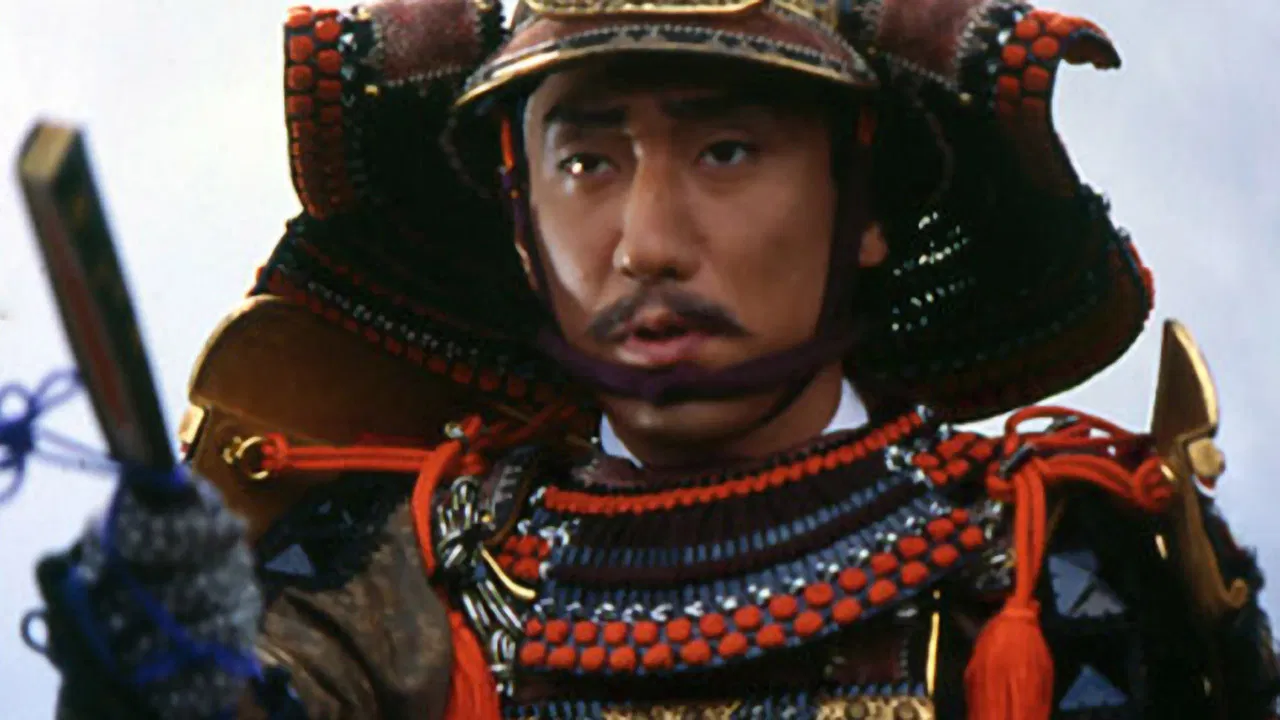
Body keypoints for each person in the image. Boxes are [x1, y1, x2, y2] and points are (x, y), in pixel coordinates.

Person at [27, 0, 1280, 717]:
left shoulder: (1046, 572)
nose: (644, 244)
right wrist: (164, 663)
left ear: (864, 204)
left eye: (724, 151)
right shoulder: (401, 581)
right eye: (586, 161)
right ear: (518, 221)